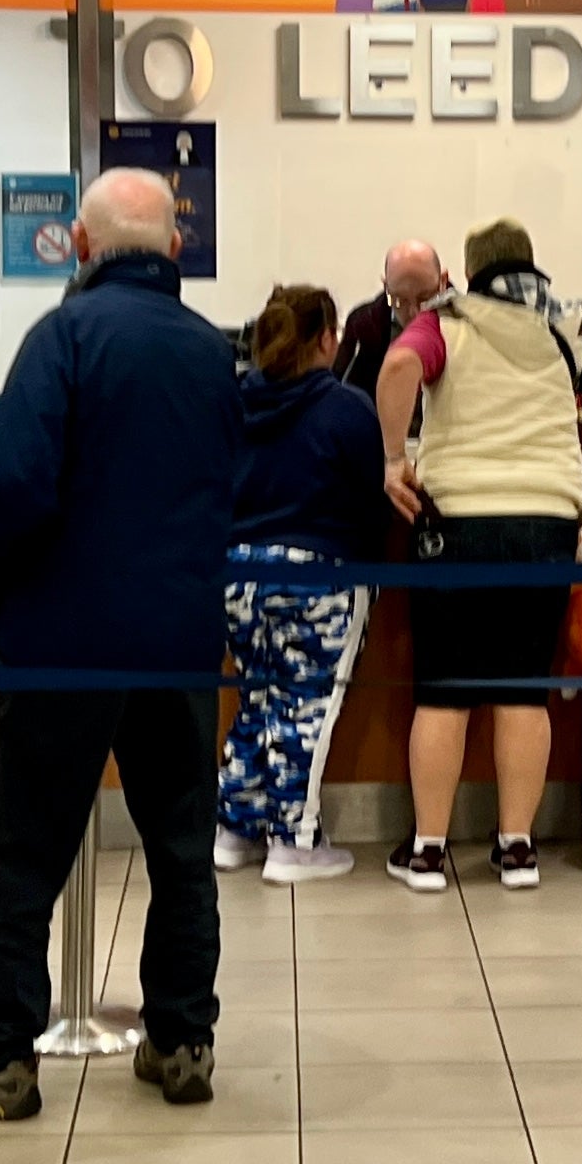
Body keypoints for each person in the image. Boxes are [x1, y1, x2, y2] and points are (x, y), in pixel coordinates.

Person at [0, 168, 244, 1121]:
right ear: (176, 248)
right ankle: (182, 1037)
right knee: (181, 844)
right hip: (181, 637)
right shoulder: (209, 351)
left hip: (63, 637)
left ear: (79, 244)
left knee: (26, 848)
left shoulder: (60, 338)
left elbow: (15, 478)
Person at [371, 220, 582, 892]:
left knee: (444, 692)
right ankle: (518, 848)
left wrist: (391, 460)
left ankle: (429, 853)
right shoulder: (564, 329)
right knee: (522, 690)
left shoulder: (446, 323)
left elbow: (398, 365)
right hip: (544, 525)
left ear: (466, 274)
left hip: (458, 524)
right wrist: (580, 331)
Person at [218, 284, 389, 883]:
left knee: (258, 699)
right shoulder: (346, 408)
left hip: (236, 573)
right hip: (319, 574)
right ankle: (295, 841)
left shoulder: (233, 404)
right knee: (306, 707)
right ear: (325, 339)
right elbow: (371, 504)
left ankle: (235, 829)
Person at [335, 239, 447, 398]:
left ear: (443, 282)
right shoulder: (363, 326)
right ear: (386, 287)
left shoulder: (464, 324)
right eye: (400, 300)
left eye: (425, 298)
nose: (414, 313)